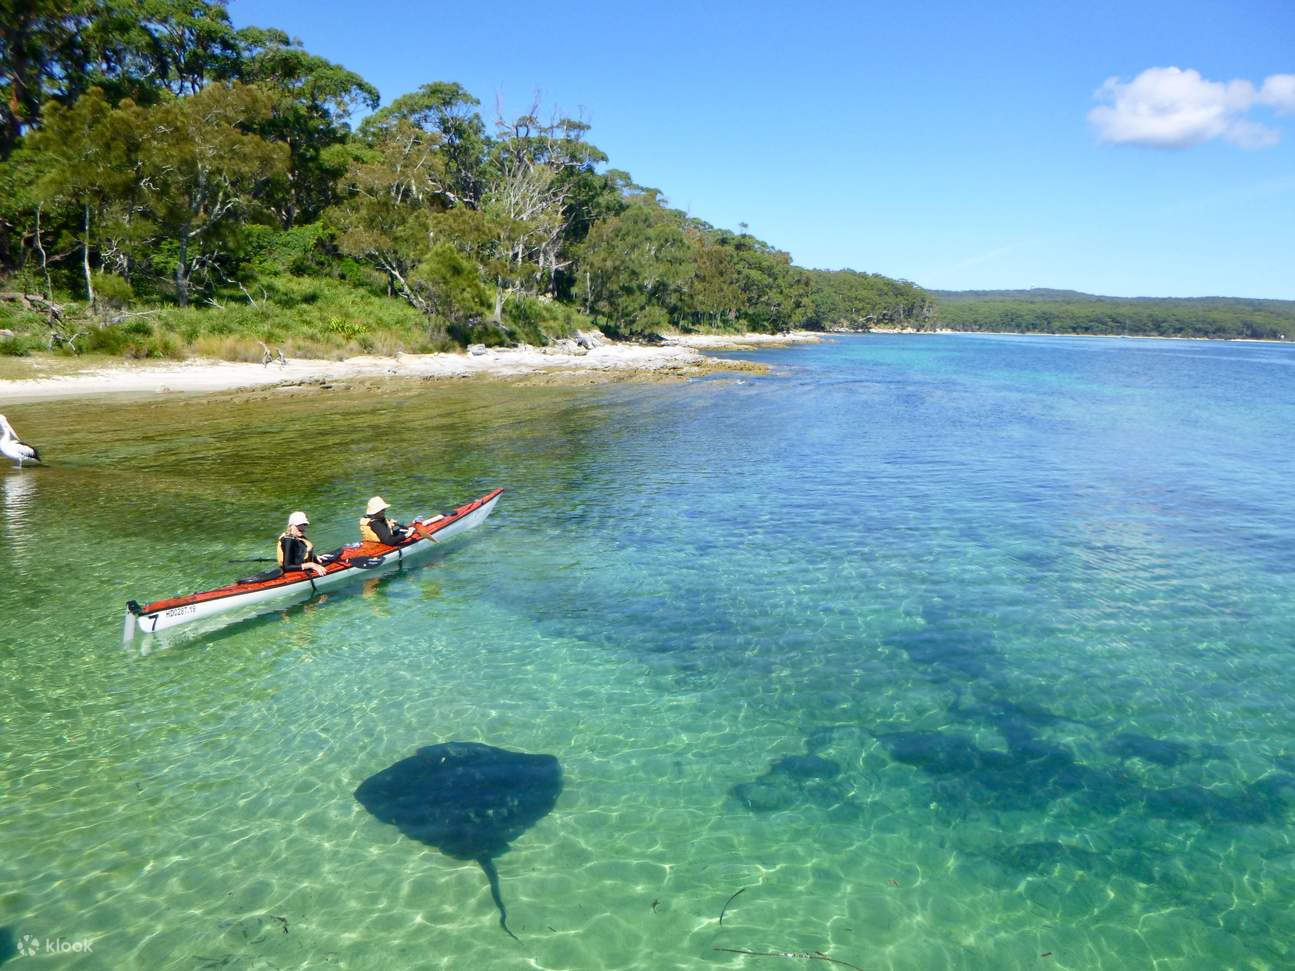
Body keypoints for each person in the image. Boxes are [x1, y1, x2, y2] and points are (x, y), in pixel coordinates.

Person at [278, 511, 327, 576]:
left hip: (301, 565)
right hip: (293, 573)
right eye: (298, 525)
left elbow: (299, 552)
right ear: (291, 526)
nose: (302, 527)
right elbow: (287, 567)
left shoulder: (298, 536)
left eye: (304, 524)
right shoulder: (288, 540)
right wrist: (311, 565)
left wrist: (314, 557)